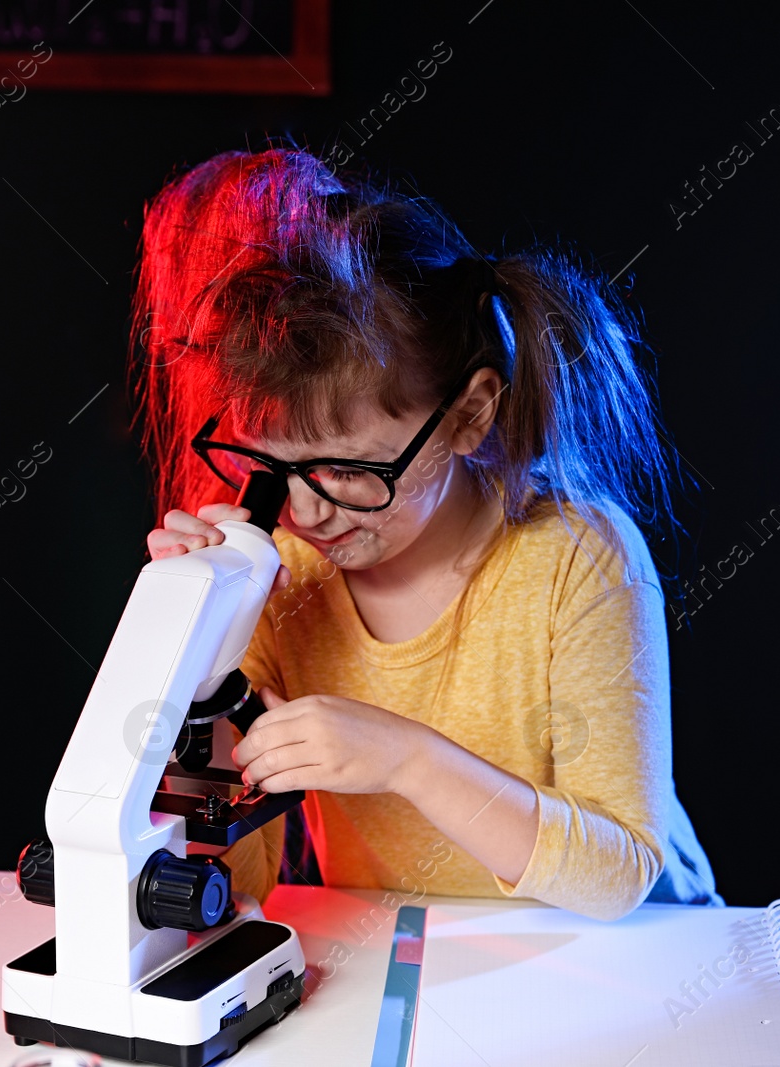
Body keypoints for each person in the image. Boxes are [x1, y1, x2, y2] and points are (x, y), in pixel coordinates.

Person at [134, 147, 721, 922]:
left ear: (470, 414)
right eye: (271, 465)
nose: (306, 514)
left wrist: (407, 757)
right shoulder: (283, 574)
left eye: (348, 469)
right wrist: (198, 667)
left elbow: (619, 873)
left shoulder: (578, 560)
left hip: (643, 945)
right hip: (415, 954)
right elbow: (238, 884)